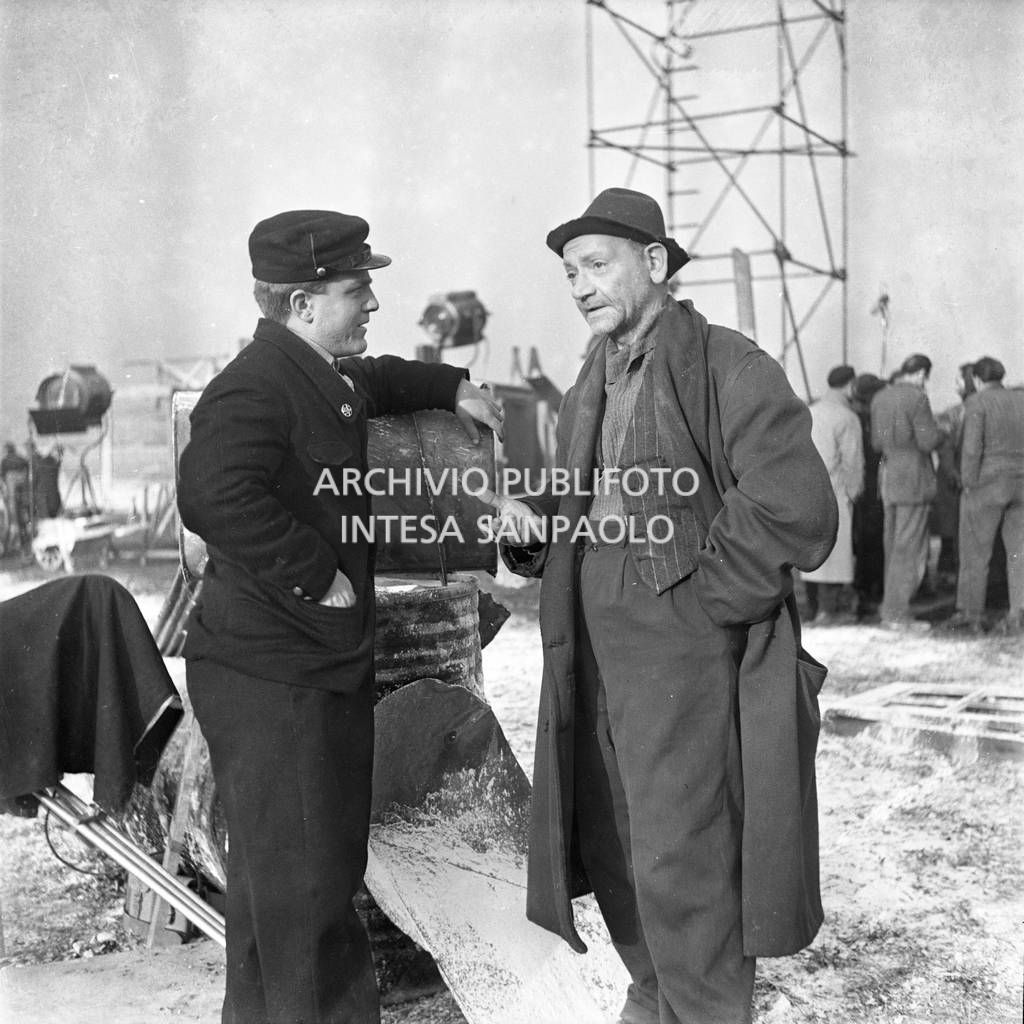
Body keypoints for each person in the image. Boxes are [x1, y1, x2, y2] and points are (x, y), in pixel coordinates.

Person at [494, 187, 837, 1024]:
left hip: (684, 646)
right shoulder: (591, 381)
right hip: (596, 643)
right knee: (616, 843)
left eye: (597, 264)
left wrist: (708, 600)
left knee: (688, 853)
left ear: (655, 264)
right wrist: (535, 523)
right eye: (570, 271)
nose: (579, 285)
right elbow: (585, 496)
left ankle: (705, 1009)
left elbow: (797, 503)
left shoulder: (727, 363)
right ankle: (655, 998)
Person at [176, 208, 503, 1024]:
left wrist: (448, 387)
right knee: (310, 894)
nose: (372, 306)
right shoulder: (252, 388)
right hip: (277, 677)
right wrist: (315, 574)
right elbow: (210, 492)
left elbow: (381, 378)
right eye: (358, 291)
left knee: (277, 893)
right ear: (301, 304)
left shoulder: (320, 371)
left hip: (295, 669)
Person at [943, 356, 1024, 636]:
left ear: (977, 380)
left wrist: (968, 482)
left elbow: (971, 449)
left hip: (986, 485)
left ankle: (971, 616)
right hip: (1021, 486)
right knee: (1019, 553)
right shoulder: (1021, 400)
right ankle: (1018, 616)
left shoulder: (977, 402)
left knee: (975, 553)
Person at [869, 353, 943, 631]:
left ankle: (890, 606)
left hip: (888, 478)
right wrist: (942, 433)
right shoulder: (917, 397)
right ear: (922, 373)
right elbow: (928, 440)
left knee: (893, 545)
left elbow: (876, 442)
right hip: (914, 478)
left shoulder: (880, 397)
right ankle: (897, 612)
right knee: (910, 548)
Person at [803, 365, 864, 624]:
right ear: (850, 385)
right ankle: (829, 610)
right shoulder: (847, 417)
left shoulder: (810, 411)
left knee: (810, 548)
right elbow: (852, 461)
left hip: (807, 487)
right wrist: (855, 491)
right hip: (836, 487)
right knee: (836, 551)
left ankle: (812, 607)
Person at [932, 363, 975, 586]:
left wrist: (951, 471)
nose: (956, 385)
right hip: (961, 477)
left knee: (951, 527)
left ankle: (949, 572)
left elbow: (943, 445)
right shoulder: (954, 413)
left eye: (959, 380)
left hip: (952, 477)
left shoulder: (952, 414)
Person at [850, 373, 887, 617]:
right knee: (873, 539)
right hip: (872, 487)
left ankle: (864, 587)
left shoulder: (859, 417)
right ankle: (871, 587)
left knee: (863, 539)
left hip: (864, 487)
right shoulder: (868, 418)